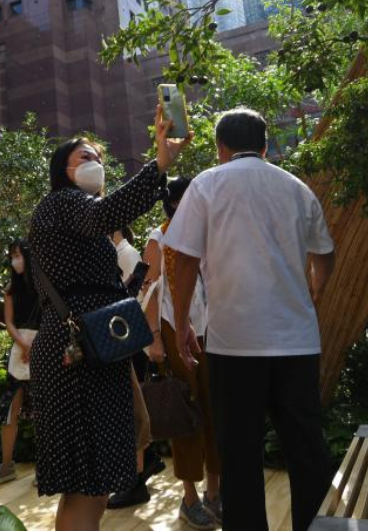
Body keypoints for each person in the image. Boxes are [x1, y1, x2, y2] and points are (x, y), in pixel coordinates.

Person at [165, 108, 336, 531]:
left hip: (234, 344)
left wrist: (182, 323)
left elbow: (184, 261)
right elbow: (325, 255)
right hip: (296, 341)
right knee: (307, 451)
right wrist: (314, 293)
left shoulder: (207, 184)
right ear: (264, 146)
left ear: (220, 147)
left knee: (239, 455)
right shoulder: (296, 187)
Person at [29, 105, 190, 531]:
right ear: (62, 168)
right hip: (79, 353)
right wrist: (159, 164)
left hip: (88, 348)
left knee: (91, 484)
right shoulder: (63, 203)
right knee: (88, 483)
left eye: (99, 157)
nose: (96, 162)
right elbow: (105, 214)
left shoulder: (70, 212)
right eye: (85, 156)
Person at [141, 176, 221, 529]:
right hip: (175, 329)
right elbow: (148, 291)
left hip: (211, 330)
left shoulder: (207, 235)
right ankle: (189, 499)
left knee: (215, 410)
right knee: (186, 411)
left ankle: (215, 494)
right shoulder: (159, 237)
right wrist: (155, 338)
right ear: (174, 202)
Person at [107, 225, 167, 511]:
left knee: (133, 406)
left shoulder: (127, 254)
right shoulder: (118, 253)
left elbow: (138, 297)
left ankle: (137, 476)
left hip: (131, 340)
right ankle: (147, 462)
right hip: (127, 339)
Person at [0, 240, 41, 486]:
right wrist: (24, 345)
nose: (15, 259)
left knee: (44, 409)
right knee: (10, 409)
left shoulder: (44, 285)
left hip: (43, 346)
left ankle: (46, 467)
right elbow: (9, 322)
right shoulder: (10, 289)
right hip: (19, 350)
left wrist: (36, 346)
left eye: (19, 254)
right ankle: (6, 465)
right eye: (12, 255)